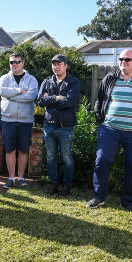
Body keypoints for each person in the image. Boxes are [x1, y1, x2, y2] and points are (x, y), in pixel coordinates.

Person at [87, 49, 132, 211]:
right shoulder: (110, 78)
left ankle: (127, 202)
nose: (123, 62)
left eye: (127, 59)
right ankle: (99, 197)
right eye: (121, 59)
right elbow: (99, 100)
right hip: (109, 130)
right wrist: (100, 121)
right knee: (102, 161)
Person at [37, 54, 80, 196]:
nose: (56, 67)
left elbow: (69, 102)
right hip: (48, 125)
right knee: (51, 157)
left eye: (59, 64)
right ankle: (53, 184)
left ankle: (67, 185)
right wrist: (55, 97)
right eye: (54, 64)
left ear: (66, 65)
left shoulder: (73, 82)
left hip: (65, 126)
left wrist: (48, 99)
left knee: (67, 157)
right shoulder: (47, 81)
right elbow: (40, 101)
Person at [0, 53, 38, 188]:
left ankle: (20, 178)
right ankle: (10, 178)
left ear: (23, 63)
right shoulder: (4, 78)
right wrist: (19, 91)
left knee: (23, 150)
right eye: (11, 62)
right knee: (10, 150)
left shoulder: (31, 79)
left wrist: (12, 96)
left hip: (25, 121)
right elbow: (1, 91)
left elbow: (31, 96)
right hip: (8, 120)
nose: (14, 64)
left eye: (17, 62)